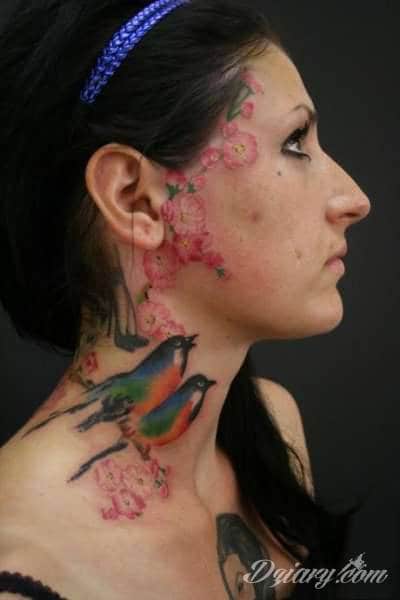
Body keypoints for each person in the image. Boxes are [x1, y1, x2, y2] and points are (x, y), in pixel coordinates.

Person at [0, 0, 371, 598]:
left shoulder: (272, 437)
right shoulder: (26, 567)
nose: (354, 199)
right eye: (295, 141)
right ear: (135, 199)